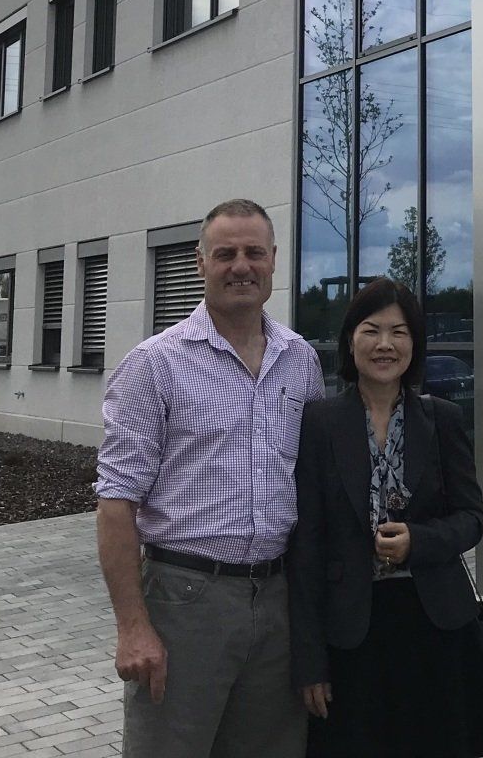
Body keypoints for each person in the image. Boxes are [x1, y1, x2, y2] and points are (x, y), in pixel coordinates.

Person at [95, 198, 326, 758]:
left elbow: (317, 486)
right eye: (225, 254)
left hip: (278, 601)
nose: (241, 266)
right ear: (201, 263)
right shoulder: (155, 364)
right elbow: (116, 504)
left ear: (274, 259)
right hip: (185, 602)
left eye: (253, 253)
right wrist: (133, 627)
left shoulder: (300, 360)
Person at [289, 278, 483, 758]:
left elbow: (472, 517)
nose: (385, 345)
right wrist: (309, 662)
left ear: (414, 344)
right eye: (372, 330)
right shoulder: (319, 423)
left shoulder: (442, 419)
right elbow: (306, 548)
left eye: (399, 332)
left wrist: (419, 539)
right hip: (352, 630)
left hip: (435, 626)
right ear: (351, 340)